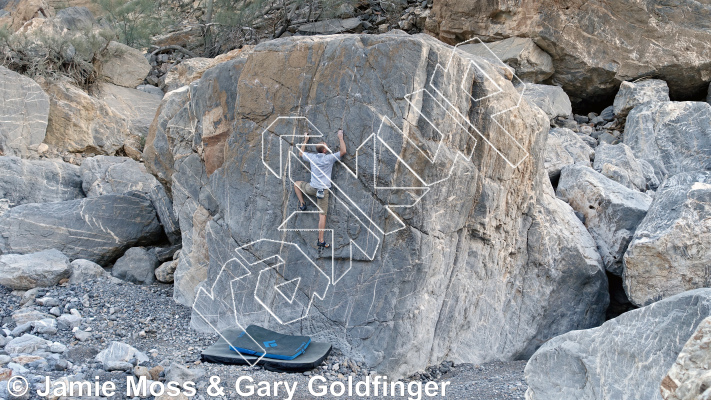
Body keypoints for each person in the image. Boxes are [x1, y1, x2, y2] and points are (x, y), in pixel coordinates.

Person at [294, 129, 347, 249]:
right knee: (322, 216)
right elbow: (343, 151)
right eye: (326, 146)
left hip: (312, 188)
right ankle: (320, 240)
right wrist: (340, 137)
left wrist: (305, 140)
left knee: (296, 184)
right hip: (323, 191)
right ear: (324, 150)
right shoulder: (329, 158)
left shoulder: (312, 157)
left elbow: (300, 153)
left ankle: (302, 204)